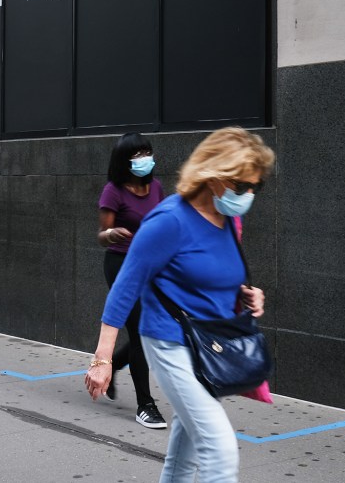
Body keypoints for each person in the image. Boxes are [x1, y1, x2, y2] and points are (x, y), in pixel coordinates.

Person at [85, 127, 274, 483]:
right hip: (170, 342)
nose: (248, 194)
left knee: (183, 457)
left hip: (208, 344)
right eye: (241, 186)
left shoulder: (229, 218)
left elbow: (216, 273)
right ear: (213, 176)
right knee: (219, 448)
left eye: (255, 186)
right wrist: (102, 360)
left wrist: (247, 294)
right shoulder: (170, 221)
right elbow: (124, 289)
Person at [97, 132, 166, 429]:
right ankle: (145, 404)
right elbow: (102, 235)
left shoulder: (157, 188)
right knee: (139, 332)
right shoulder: (113, 190)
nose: (144, 159)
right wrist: (111, 234)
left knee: (148, 332)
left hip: (152, 265)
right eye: (137, 154)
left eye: (146, 152)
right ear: (124, 160)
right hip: (122, 264)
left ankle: (114, 361)